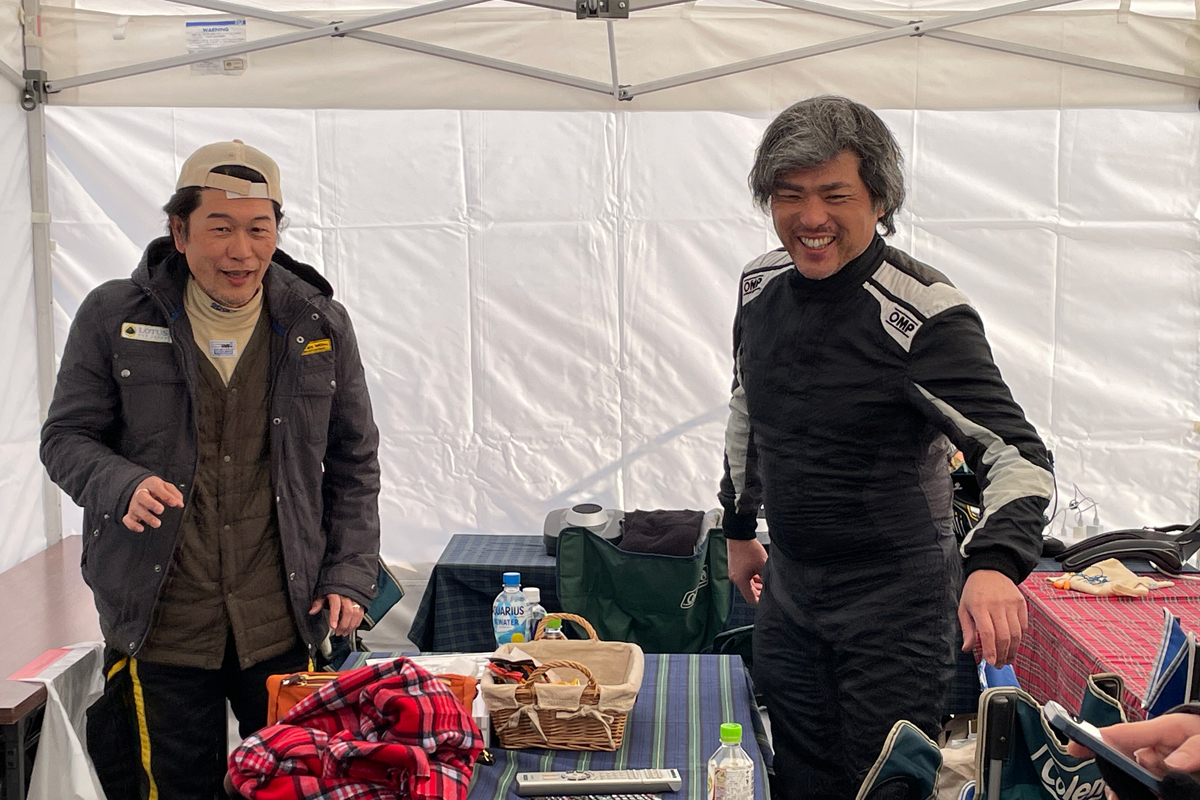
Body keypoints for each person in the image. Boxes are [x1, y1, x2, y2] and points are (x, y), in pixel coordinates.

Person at [717, 96, 1054, 800]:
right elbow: (749, 409)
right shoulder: (759, 286)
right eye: (789, 195)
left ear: (879, 200)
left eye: (834, 195)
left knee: (885, 785)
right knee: (799, 778)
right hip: (791, 589)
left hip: (897, 601)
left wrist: (995, 563)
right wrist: (740, 529)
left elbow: (1018, 455)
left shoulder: (923, 313)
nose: (810, 217)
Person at [40, 140, 381, 799]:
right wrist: (121, 483)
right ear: (179, 231)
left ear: (277, 231)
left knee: (295, 789)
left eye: (259, 229)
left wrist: (349, 571)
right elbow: (66, 438)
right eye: (220, 229)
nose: (241, 251)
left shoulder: (318, 323)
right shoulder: (114, 316)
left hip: (284, 618)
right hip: (162, 623)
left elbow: (354, 462)